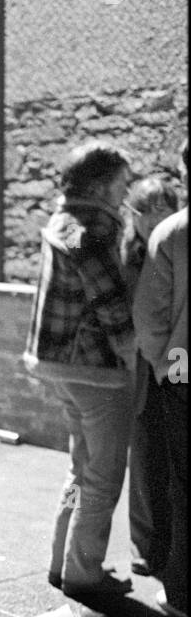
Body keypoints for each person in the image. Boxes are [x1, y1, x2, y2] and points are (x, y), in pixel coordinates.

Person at [23, 140, 136, 609]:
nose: (126, 194)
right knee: (104, 477)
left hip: (59, 365)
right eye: (122, 184)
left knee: (80, 469)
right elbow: (111, 304)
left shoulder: (63, 222)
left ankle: (63, 561)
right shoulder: (90, 229)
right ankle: (85, 575)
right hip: (94, 370)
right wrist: (135, 356)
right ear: (102, 185)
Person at [132, 139, 188, 617]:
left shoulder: (172, 233)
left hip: (184, 374)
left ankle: (184, 594)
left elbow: (149, 317)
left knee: (184, 485)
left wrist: (163, 366)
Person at [120, 176, 179, 578]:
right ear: (135, 216)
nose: (158, 220)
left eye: (165, 212)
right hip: (143, 364)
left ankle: (173, 545)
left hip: (172, 360)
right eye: (150, 213)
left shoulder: (172, 242)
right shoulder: (128, 254)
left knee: (172, 458)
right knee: (144, 455)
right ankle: (147, 546)